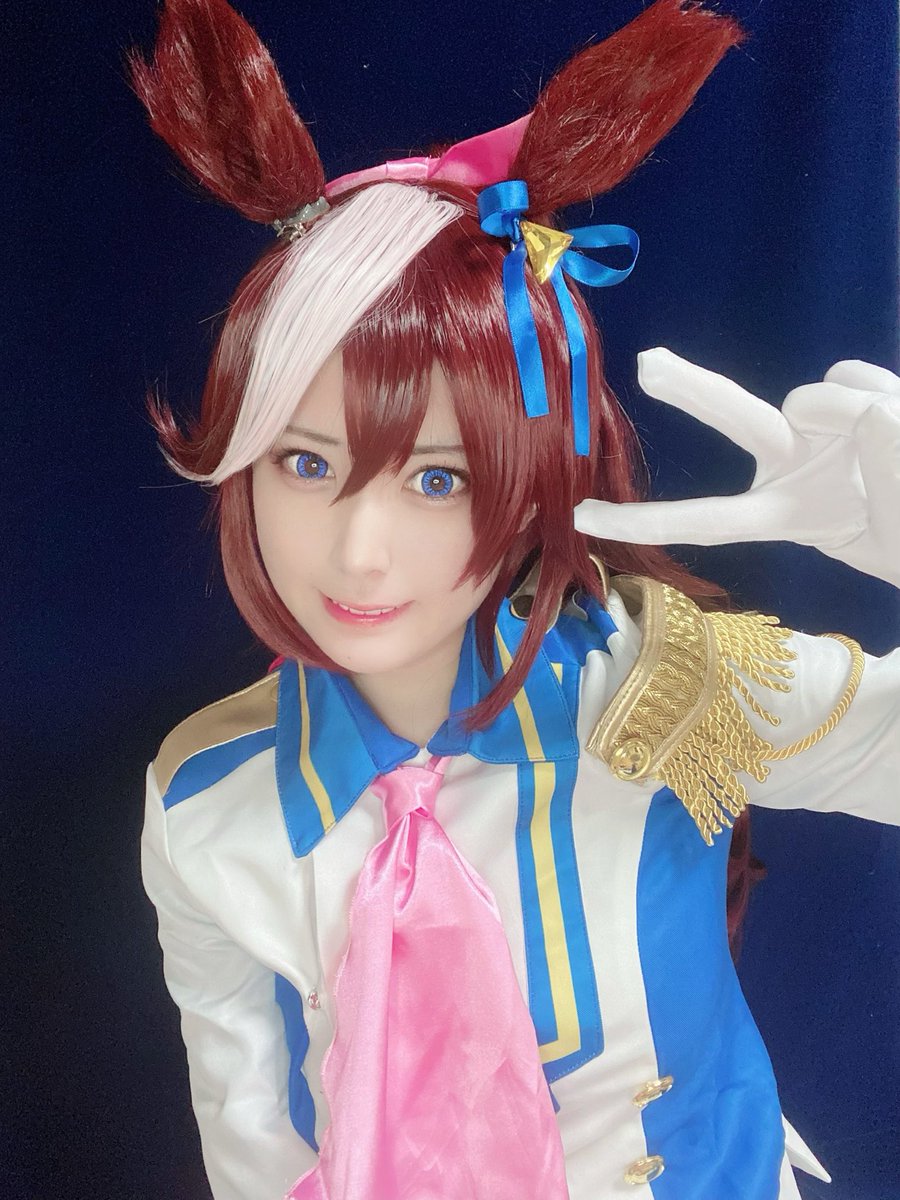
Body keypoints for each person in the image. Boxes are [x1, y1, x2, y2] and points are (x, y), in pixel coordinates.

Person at [131, 1, 900, 1197]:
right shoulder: (207, 802)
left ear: (531, 482)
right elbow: (249, 1132)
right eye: (306, 463)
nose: (360, 554)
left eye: (439, 480)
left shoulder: (670, 693)